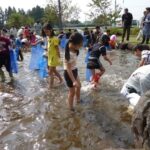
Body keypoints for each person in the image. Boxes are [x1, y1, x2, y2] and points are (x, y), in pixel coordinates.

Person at [63, 33, 83, 111]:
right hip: (68, 73)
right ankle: (70, 108)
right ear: (74, 44)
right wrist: (74, 81)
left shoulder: (74, 49)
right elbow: (68, 69)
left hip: (74, 70)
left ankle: (78, 100)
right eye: (80, 45)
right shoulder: (68, 53)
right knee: (72, 92)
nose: (81, 47)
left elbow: (72, 66)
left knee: (79, 86)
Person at [43, 23, 63, 88]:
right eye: (45, 32)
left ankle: (50, 86)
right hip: (50, 57)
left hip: (53, 58)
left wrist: (59, 58)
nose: (46, 33)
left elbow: (57, 49)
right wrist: (46, 51)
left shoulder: (55, 39)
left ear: (51, 30)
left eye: (47, 32)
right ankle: (61, 80)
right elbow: (50, 48)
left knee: (50, 72)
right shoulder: (49, 38)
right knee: (54, 70)